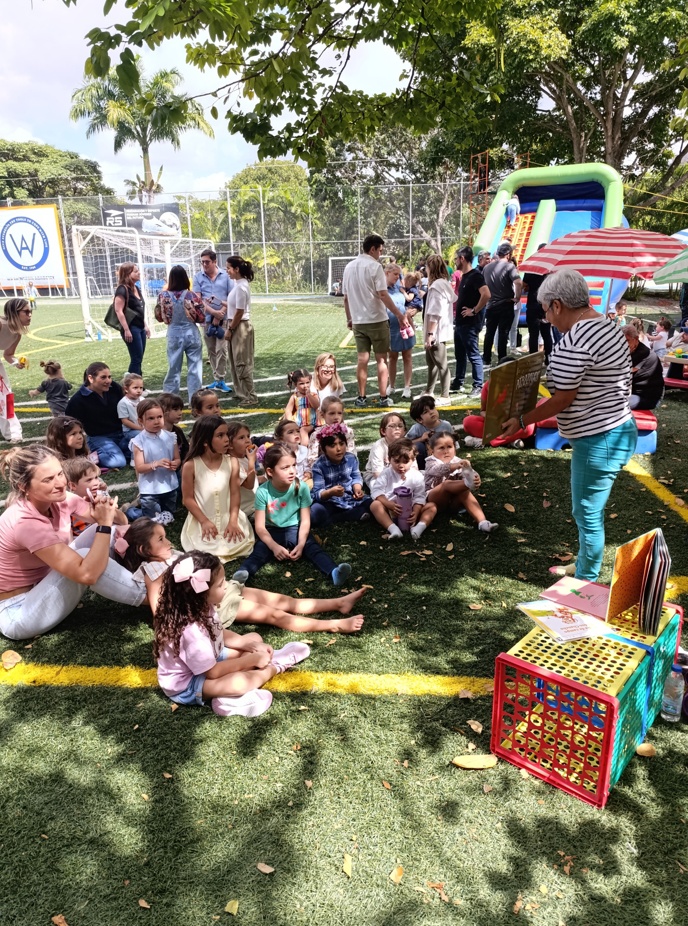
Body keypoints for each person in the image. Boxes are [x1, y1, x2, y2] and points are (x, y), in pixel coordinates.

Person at [502, 270, 636, 581]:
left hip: (599, 437)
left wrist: (521, 419)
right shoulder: (608, 325)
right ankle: (584, 562)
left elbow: (562, 399)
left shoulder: (574, 341)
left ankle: (586, 579)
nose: (547, 319)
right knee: (589, 510)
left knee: (587, 512)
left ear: (558, 305)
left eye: (546, 311)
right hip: (616, 427)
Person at [119, 518, 366, 634]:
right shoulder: (152, 571)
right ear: (143, 550)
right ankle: (333, 625)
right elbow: (159, 610)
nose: (169, 542)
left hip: (224, 588)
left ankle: (338, 603)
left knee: (283, 600)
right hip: (217, 605)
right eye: (161, 539)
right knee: (275, 615)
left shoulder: (169, 554)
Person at [0, 444, 145, 640]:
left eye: (60, 474)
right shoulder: (25, 523)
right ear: (23, 487)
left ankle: (155, 570)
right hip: (18, 611)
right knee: (87, 555)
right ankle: (158, 597)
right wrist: (104, 523)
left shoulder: (60, 498)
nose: (60, 483)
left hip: (45, 584)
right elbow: (87, 575)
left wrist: (107, 508)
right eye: (48, 479)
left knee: (108, 532)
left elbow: (120, 522)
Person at [153, 550, 310, 717]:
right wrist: (252, 660)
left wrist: (249, 645)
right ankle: (276, 666)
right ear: (202, 592)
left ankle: (226, 699)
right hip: (188, 684)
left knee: (254, 638)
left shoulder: (201, 605)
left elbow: (218, 631)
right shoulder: (191, 633)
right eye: (221, 584)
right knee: (240, 683)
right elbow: (212, 673)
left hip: (210, 659)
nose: (226, 586)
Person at [236, 443, 352, 586]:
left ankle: (334, 572)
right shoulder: (262, 491)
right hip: (271, 531)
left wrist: (301, 544)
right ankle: (242, 574)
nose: (292, 471)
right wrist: (274, 546)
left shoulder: (302, 487)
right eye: (285, 468)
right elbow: (260, 527)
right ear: (270, 471)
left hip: (296, 530)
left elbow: (305, 520)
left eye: (293, 465)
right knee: (259, 552)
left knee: (313, 548)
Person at [341, 234, 408, 408]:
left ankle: (361, 397)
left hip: (358, 321)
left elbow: (346, 298)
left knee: (362, 360)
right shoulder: (375, 266)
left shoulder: (348, 267)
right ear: (373, 249)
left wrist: (349, 318)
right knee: (381, 360)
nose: (381, 254)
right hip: (377, 320)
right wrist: (399, 315)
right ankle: (383, 397)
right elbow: (383, 294)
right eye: (380, 250)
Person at [181, 415, 254, 562]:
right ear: (205, 441)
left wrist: (233, 521)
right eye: (220, 435)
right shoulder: (191, 466)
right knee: (203, 549)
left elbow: (235, 494)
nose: (227, 439)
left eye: (226, 434)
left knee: (239, 543)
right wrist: (204, 522)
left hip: (229, 517)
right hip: (203, 518)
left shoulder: (232, 462)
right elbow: (187, 499)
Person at [424, 432, 498, 532]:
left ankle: (483, 522)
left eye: (449, 447)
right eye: (441, 448)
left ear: (455, 448)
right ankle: (467, 484)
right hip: (435, 501)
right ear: (432, 451)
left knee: (464, 491)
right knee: (447, 484)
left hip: (453, 503)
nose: (446, 451)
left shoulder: (458, 460)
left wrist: (475, 478)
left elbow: (469, 473)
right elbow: (437, 470)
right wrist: (454, 466)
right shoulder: (431, 461)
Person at [65, 362, 131, 468]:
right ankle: (93, 455)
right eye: (103, 377)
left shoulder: (114, 387)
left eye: (109, 377)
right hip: (99, 437)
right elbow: (69, 425)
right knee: (118, 462)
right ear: (91, 378)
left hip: (122, 432)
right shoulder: (77, 400)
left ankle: (118, 451)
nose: (108, 381)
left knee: (145, 449)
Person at [126, 399, 181, 524]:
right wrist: (156, 463)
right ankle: (131, 511)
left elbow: (177, 458)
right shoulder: (138, 441)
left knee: (169, 517)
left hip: (169, 486)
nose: (156, 421)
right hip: (150, 490)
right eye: (151, 418)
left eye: (159, 417)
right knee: (152, 521)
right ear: (141, 421)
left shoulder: (170, 436)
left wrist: (175, 464)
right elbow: (140, 468)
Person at [370, 438, 437, 541]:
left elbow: (419, 496)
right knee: (375, 505)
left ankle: (418, 529)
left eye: (406, 462)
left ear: (413, 460)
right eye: (397, 461)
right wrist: (388, 504)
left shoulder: (417, 476)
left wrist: (416, 512)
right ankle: (393, 529)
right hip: (390, 510)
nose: (401, 466)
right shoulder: (386, 473)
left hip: (410, 511)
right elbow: (377, 491)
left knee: (432, 506)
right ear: (389, 459)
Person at [156, 265, 205, 403]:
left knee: (173, 367)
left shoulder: (163, 296)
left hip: (173, 333)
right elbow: (201, 317)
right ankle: (195, 400)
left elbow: (159, 317)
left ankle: (170, 401)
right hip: (191, 333)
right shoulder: (192, 295)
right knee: (195, 368)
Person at [309, 424, 372, 527]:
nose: (338, 449)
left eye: (341, 444)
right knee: (314, 515)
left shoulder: (351, 458)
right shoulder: (318, 466)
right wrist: (330, 492)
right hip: (329, 501)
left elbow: (356, 477)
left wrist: (357, 489)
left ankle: (333, 518)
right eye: (332, 446)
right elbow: (318, 492)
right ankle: (350, 514)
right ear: (324, 449)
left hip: (350, 496)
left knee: (374, 505)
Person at [193, 248, 233, 393]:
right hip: (207, 320)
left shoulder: (226, 276)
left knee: (221, 349)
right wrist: (214, 313)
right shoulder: (198, 277)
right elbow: (198, 300)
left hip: (224, 318)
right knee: (211, 350)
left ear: (214, 261)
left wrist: (221, 312)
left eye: (207, 262)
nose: (204, 264)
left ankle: (220, 379)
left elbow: (231, 296)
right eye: (202, 262)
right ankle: (217, 379)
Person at [451, 246, 490, 396]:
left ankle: (478, 385)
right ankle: (458, 381)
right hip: (461, 323)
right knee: (460, 354)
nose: (455, 261)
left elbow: (486, 294)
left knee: (473, 355)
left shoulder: (475, 276)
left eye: (456, 258)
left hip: (470, 324)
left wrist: (474, 310)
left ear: (462, 259)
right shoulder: (465, 276)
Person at [62, 457, 128, 537]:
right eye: (89, 480)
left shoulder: (99, 498)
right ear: (73, 486)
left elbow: (124, 522)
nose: (96, 483)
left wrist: (112, 509)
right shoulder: (69, 505)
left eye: (96, 478)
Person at [422, 254, 457, 405]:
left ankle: (445, 396)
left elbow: (435, 313)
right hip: (440, 330)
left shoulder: (436, 287)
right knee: (432, 363)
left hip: (436, 332)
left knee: (441, 364)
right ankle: (429, 391)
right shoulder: (444, 283)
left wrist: (430, 334)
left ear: (431, 268)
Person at [225, 255, 258, 407]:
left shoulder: (241, 287)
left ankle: (250, 395)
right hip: (236, 324)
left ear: (236, 269)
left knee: (241, 361)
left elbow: (239, 311)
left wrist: (230, 329)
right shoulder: (238, 285)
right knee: (234, 360)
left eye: (229, 268)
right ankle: (241, 392)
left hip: (240, 326)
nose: (227, 271)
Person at [482, 243, 522, 366]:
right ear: (508, 255)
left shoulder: (487, 268)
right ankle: (502, 359)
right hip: (505, 304)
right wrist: (517, 297)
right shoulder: (509, 266)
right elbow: (518, 282)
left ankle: (486, 358)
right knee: (503, 334)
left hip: (491, 305)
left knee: (490, 333)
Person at [0, 297, 32, 442]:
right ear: (14, 312)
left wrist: (16, 362)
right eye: (26, 312)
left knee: (7, 397)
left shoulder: (16, 334)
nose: (30, 315)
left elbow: (8, 354)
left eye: (30, 312)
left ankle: (12, 433)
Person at [385, 262, 416, 399]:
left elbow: (412, 302)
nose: (398, 277)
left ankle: (407, 387)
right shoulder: (381, 289)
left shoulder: (400, 288)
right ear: (387, 273)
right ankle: (391, 385)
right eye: (395, 274)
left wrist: (412, 311)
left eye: (399, 274)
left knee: (407, 356)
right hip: (390, 327)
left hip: (405, 325)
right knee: (392, 357)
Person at [113, 263, 149, 375]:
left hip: (140, 327)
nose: (139, 273)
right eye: (135, 271)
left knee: (139, 358)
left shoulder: (136, 288)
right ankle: (131, 383)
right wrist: (126, 329)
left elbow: (138, 310)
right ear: (127, 274)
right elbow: (118, 310)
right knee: (136, 358)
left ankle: (137, 382)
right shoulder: (122, 289)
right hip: (131, 328)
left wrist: (145, 326)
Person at [305, 396, 356, 474]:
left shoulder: (348, 432)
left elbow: (351, 453)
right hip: (323, 471)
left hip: (344, 470)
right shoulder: (317, 434)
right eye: (332, 413)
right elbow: (312, 458)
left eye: (339, 413)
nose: (336, 417)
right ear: (322, 414)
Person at [363, 412, 413, 486]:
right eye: (392, 426)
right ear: (383, 431)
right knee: (375, 485)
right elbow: (377, 473)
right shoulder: (378, 446)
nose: (397, 428)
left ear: (404, 431)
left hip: (402, 474)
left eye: (400, 426)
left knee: (422, 475)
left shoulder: (407, 445)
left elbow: (414, 467)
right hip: (377, 476)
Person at [406, 395, 454, 469]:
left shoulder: (446, 425)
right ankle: (421, 470)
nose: (431, 412)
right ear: (419, 420)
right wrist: (421, 439)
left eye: (432, 408)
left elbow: (454, 444)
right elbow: (405, 443)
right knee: (418, 446)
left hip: (443, 457)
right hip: (425, 459)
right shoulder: (417, 428)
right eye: (426, 412)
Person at [523, 245, 552, 364]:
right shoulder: (551, 266)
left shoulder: (531, 266)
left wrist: (530, 287)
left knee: (533, 334)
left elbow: (524, 284)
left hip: (533, 303)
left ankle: (533, 360)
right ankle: (548, 358)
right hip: (546, 304)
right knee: (546, 333)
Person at [623, 326, 664, 410]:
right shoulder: (630, 350)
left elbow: (622, 374)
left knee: (609, 404)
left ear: (636, 339)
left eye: (627, 340)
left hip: (646, 398)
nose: (623, 344)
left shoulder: (643, 354)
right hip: (633, 394)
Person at [227, 420, 259, 518]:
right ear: (230, 445)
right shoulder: (232, 462)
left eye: (248, 436)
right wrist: (252, 461)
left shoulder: (243, 459)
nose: (248, 440)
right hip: (247, 510)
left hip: (254, 504)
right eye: (241, 438)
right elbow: (249, 485)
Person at [284, 369, 320, 445]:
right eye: (301, 383)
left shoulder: (313, 394)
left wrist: (309, 395)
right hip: (298, 422)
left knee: (303, 430)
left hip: (310, 422)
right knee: (289, 433)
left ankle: (303, 449)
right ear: (295, 384)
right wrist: (291, 422)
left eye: (307, 382)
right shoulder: (294, 396)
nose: (305, 386)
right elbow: (288, 410)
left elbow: (316, 405)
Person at [158, 392, 189, 464]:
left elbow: (186, 450)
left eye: (181, 409)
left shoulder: (178, 431)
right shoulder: (156, 434)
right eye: (175, 409)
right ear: (163, 411)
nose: (180, 413)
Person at [117, 372, 144, 443]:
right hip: (130, 431)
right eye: (135, 388)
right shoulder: (123, 403)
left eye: (141, 388)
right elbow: (125, 421)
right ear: (126, 389)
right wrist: (141, 428)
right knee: (143, 436)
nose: (139, 391)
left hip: (143, 428)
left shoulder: (143, 400)